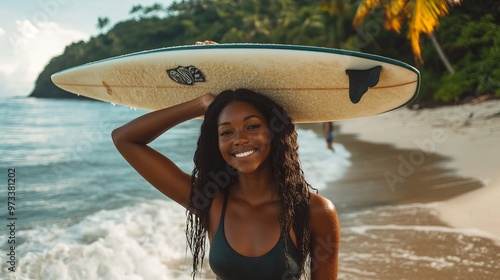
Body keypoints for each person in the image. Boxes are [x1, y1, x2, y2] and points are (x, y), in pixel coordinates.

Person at [112, 89, 340, 279]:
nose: (239, 139)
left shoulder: (314, 211)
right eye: (226, 132)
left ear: (274, 132)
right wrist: (200, 104)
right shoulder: (210, 200)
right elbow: (124, 139)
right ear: (217, 142)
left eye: (252, 127)